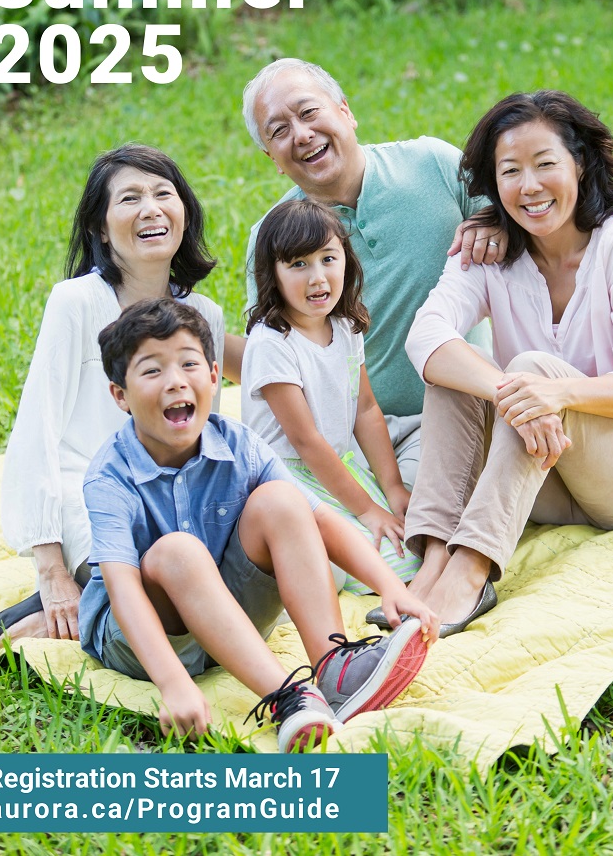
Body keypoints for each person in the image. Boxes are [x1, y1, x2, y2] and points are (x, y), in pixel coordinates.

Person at [367, 90, 613, 637]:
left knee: (531, 367)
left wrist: (555, 393)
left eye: (545, 164)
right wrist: (515, 394)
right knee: (460, 368)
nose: (529, 186)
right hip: (551, 472)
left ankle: (472, 570)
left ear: (579, 164)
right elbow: (425, 338)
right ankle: (433, 559)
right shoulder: (490, 252)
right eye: (510, 171)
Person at [77, 298, 438, 750]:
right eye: (152, 371)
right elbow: (122, 588)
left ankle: (334, 668)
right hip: (144, 639)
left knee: (282, 501)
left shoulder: (240, 445)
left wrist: (391, 586)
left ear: (213, 376)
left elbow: (320, 521)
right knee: (177, 550)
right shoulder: (110, 475)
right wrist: (172, 683)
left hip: (233, 618)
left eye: (189, 364)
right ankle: (290, 696)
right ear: (120, 396)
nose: (175, 382)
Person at [0, 143, 243, 652]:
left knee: (222, 578)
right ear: (101, 228)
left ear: (183, 213)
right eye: (129, 198)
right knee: (165, 594)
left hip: (174, 498)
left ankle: (89, 606)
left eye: (164, 193)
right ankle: (58, 608)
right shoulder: (76, 301)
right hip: (89, 493)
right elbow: (39, 427)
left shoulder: (203, 314)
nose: (151, 208)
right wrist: (51, 569)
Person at [243, 58, 505, 489]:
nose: (302, 135)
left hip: (458, 411)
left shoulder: (434, 164)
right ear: (272, 157)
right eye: (279, 130)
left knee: (410, 521)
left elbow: (517, 221)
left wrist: (492, 221)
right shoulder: (271, 241)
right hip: (351, 441)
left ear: (345, 111)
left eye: (309, 113)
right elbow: (276, 354)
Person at [242, 198, 422, 593]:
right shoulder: (272, 343)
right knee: (360, 566)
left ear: (347, 260)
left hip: (338, 465)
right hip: (287, 477)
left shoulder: (344, 326)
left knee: (412, 545)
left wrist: (391, 488)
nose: (318, 277)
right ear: (271, 273)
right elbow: (305, 442)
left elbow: (367, 410)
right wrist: (368, 510)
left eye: (328, 258)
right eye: (298, 264)